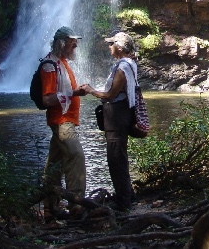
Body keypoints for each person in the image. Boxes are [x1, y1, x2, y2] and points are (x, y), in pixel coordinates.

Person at [81, 32, 138, 212]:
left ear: (119, 48)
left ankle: (123, 204)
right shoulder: (129, 63)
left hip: (116, 116)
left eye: (111, 43)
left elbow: (110, 95)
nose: (109, 46)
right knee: (120, 156)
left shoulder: (123, 66)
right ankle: (128, 196)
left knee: (116, 159)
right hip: (122, 114)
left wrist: (90, 90)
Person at [39, 26, 87, 222]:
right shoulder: (50, 66)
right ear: (61, 43)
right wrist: (74, 93)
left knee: (54, 165)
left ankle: (50, 208)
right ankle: (76, 206)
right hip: (61, 120)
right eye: (71, 42)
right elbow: (47, 100)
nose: (75, 45)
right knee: (76, 155)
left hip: (66, 119)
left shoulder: (63, 63)